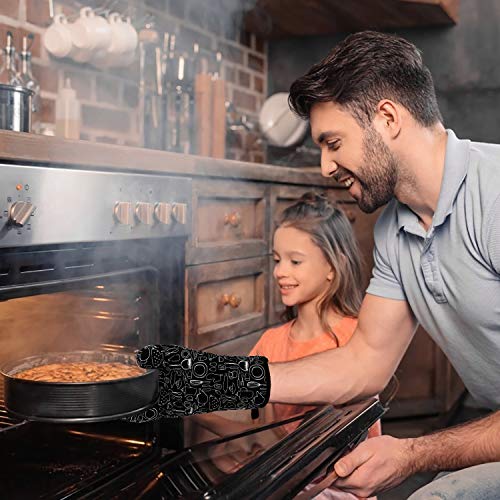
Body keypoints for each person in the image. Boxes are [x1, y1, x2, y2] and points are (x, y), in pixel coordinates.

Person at [131, 30, 500, 499]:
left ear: (387, 118)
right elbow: (364, 361)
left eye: (333, 142)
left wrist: (411, 454)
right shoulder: (393, 229)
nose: (325, 166)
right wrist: (222, 381)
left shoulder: (495, 196)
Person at [249, 191, 381, 500]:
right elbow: (265, 439)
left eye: (295, 261)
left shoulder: (358, 340)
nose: (281, 271)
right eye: (277, 260)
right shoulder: (270, 343)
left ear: (332, 267)